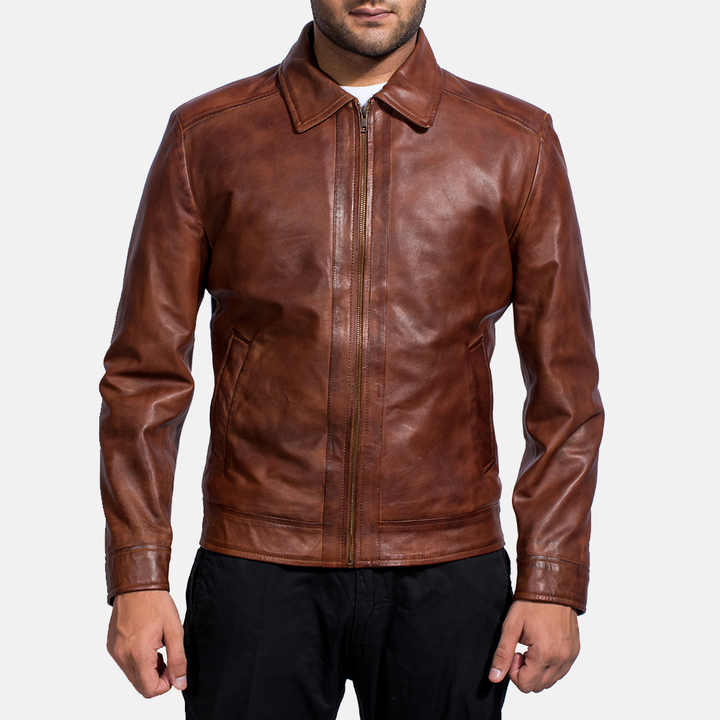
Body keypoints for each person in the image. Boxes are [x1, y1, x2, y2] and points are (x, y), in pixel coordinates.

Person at [100, 2, 604, 717]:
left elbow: (566, 391)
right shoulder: (208, 136)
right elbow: (144, 376)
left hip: (448, 568)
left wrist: (552, 577)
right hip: (258, 563)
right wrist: (138, 574)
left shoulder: (515, 142)